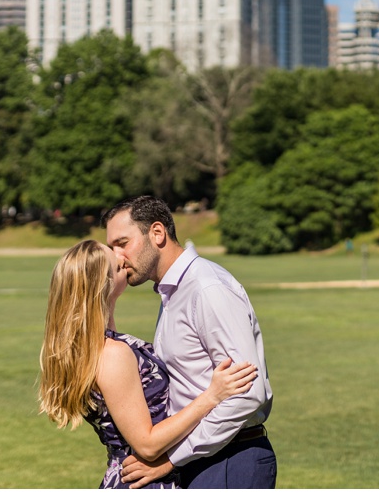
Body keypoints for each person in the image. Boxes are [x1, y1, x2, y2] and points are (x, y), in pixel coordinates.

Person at [39, 239, 259, 489]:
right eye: (116, 261)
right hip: (142, 479)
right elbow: (147, 443)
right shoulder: (112, 354)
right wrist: (212, 396)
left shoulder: (101, 346)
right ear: (104, 283)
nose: (122, 257)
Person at [103, 195, 276, 489]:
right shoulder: (173, 291)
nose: (117, 257)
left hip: (228, 461)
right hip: (203, 461)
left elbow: (247, 394)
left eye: (123, 243)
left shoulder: (206, 288)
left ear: (157, 233)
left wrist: (172, 459)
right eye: (112, 248)